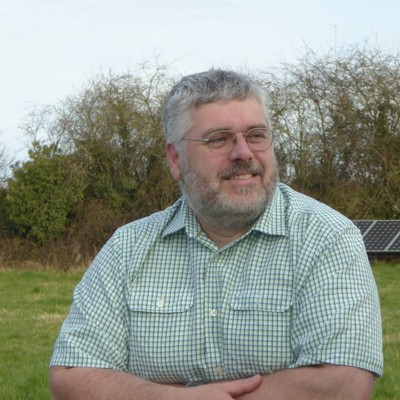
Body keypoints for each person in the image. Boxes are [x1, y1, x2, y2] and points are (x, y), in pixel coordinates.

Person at [49, 69, 383, 399]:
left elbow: (343, 384)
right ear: (176, 158)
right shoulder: (127, 248)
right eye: (219, 139)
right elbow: (71, 376)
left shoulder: (327, 237)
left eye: (255, 135)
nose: (243, 152)